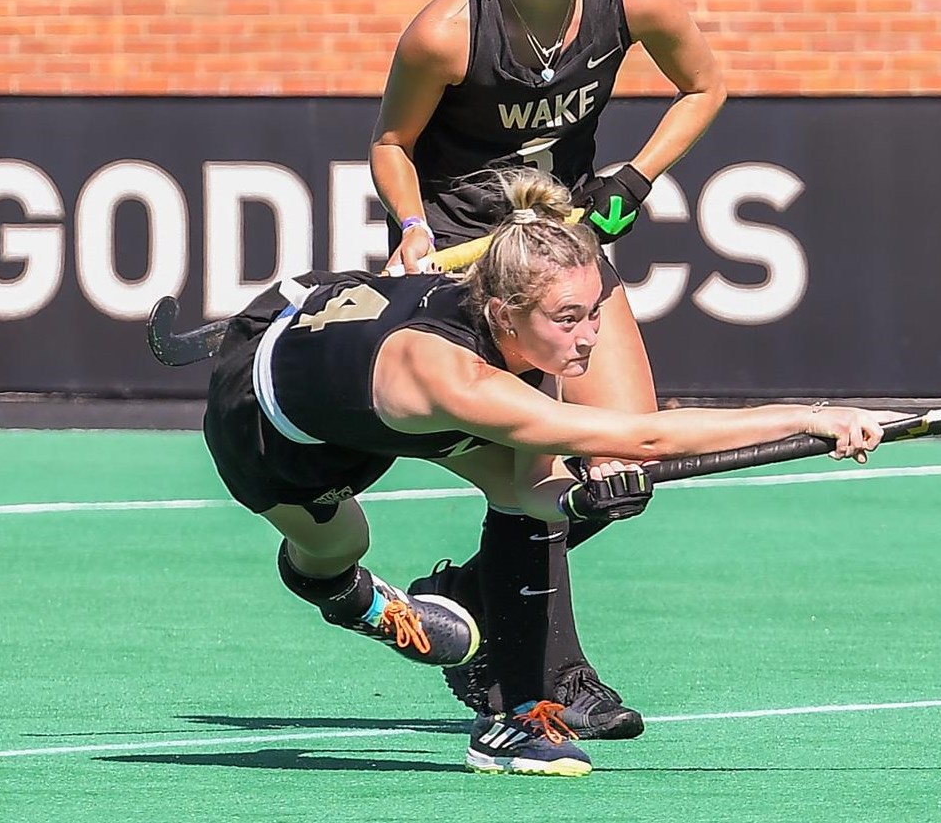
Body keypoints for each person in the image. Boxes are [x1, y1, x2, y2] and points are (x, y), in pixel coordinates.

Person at [202, 172, 888, 776]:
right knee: (337, 544)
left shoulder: (517, 332)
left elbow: (532, 490)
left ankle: (515, 714)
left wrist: (584, 499)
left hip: (355, 375)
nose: (589, 334)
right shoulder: (460, 378)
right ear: (505, 312)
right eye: (569, 318)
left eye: (593, 311)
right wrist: (812, 414)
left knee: (523, 496)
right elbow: (640, 435)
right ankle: (360, 601)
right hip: (270, 426)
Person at [368, 0, 728, 738]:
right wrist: (408, 223)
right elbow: (391, 144)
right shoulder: (448, 28)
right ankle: (549, 679)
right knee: (539, 469)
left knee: (623, 464)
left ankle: (466, 591)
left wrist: (638, 176)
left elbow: (706, 83)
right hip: (473, 275)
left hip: (565, 253)